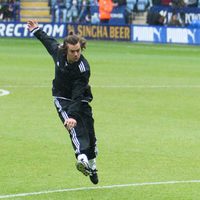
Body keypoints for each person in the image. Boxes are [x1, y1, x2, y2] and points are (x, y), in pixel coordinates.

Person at [27, 19, 99, 185]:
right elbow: (48, 42)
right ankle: (81, 158)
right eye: (73, 51)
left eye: (78, 51)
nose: (76, 54)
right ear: (66, 50)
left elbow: (78, 93)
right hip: (61, 97)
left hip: (79, 99)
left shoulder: (83, 68)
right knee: (74, 127)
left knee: (91, 135)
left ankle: (92, 166)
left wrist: (75, 112)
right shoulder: (59, 52)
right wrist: (36, 30)